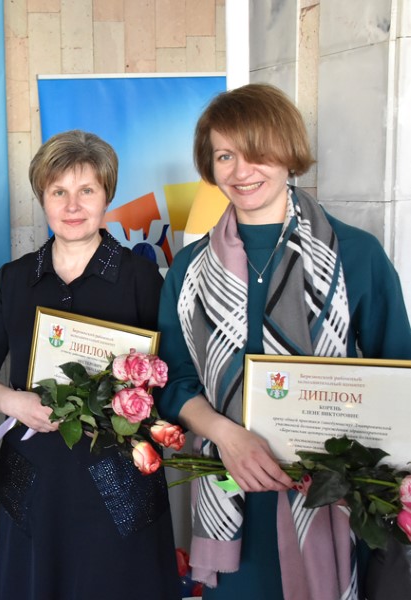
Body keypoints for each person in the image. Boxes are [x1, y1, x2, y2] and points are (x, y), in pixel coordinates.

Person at [156, 83, 411, 600]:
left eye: (258, 152)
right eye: (225, 155)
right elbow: (175, 380)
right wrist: (227, 436)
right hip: (232, 497)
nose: (241, 171)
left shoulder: (356, 255)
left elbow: (398, 375)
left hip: (334, 503)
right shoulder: (189, 269)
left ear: (289, 153)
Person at [0, 130, 180, 599]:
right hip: (34, 477)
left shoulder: (142, 278)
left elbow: (173, 375)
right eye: (58, 192)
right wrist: (13, 402)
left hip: (119, 479)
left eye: (87, 190)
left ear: (107, 195)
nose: (72, 205)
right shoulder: (14, 278)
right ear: (42, 197)